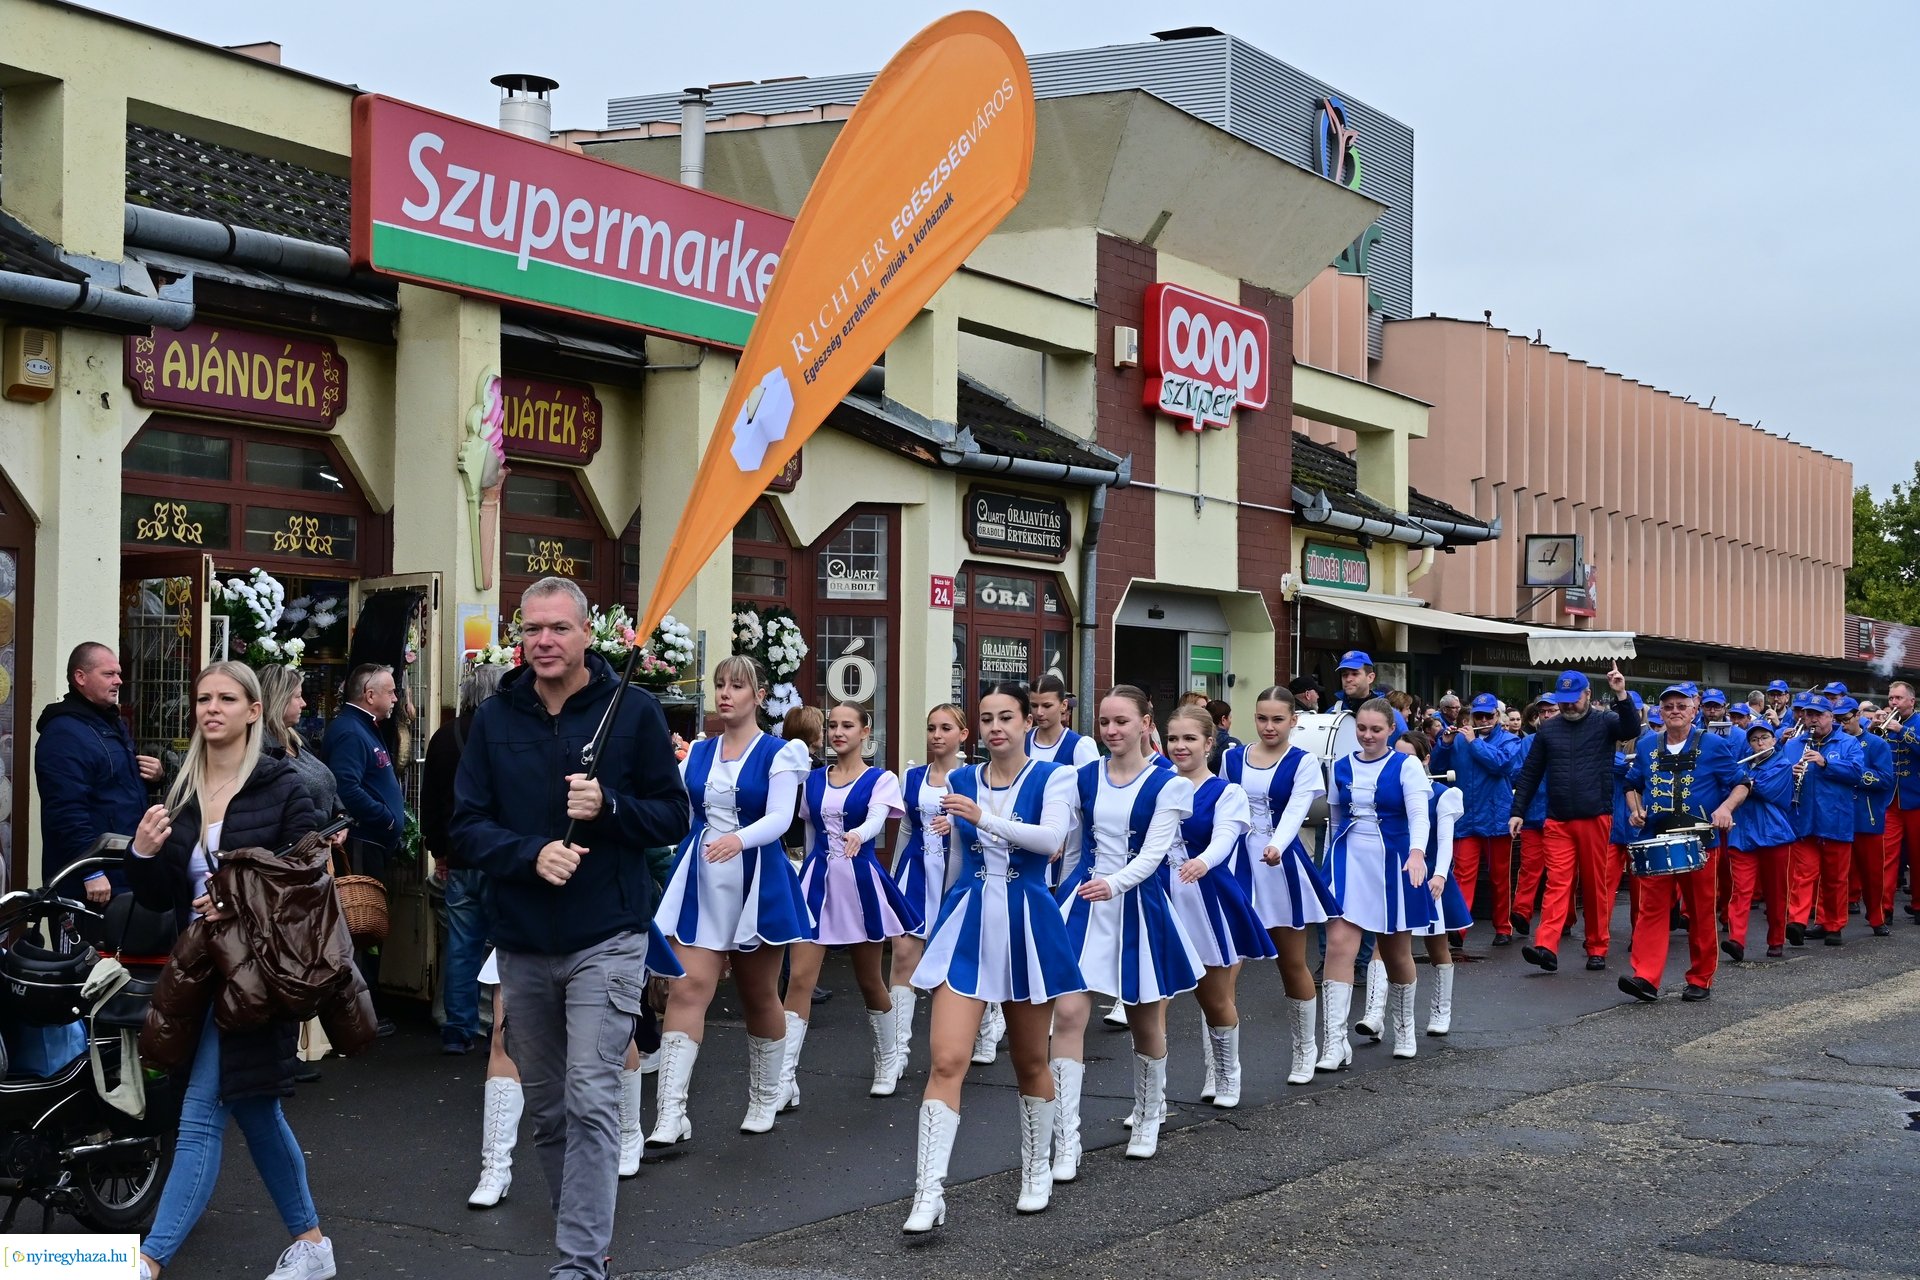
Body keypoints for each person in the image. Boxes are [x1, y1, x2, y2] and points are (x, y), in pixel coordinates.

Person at [450, 576, 689, 1280]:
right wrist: (531, 854)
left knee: (590, 1098)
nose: (544, 641)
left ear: (588, 632)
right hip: (522, 940)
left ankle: (580, 1264)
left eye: (558, 627)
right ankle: (585, 1242)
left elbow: (671, 816)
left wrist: (609, 806)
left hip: (607, 936)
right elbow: (465, 826)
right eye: (532, 629)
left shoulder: (633, 711)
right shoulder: (494, 719)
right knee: (550, 1110)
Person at [127, 661, 331, 1280]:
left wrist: (237, 900)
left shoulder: (282, 786)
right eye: (202, 699)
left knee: (200, 1114)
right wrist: (142, 853)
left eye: (226, 699)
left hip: (257, 977)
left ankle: (149, 1259)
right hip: (197, 974)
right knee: (256, 1110)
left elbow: (306, 880)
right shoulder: (181, 790)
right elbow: (159, 897)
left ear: (253, 711)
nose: (211, 709)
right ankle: (313, 1245)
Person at [902, 682, 1083, 1233]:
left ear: (1028, 721)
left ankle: (1036, 1170)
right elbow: (958, 862)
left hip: (1028, 922)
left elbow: (1049, 840)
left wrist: (983, 818)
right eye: (986, 718)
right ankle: (928, 1194)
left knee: (1029, 1060)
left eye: (1006, 717)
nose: (996, 727)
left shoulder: (1056, 776)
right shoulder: (959, 780)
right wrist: (940, 928)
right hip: (969, 923)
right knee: (946, 1059)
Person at [647, 655, 812, 1145]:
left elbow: (781, 817)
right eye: (720, 684)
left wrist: (738, 840)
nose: (725, 693)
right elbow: (677, 814)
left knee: (758, 994)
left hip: (757, 881)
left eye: (737, 686)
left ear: (759, 696)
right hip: (701, 880)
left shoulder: (780, 752)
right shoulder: (697, 752)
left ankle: (765, 1096)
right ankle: (670, 1115)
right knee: (686, 989)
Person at [1053, 685, 1202, 1170]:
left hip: (1139, 906)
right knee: (1067, 1015)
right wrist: (1064, 890)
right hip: (1084, 904)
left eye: (1121, 721)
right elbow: (1075, 845)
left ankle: (1148, 1113)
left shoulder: (1169, 783)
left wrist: (1112, 884)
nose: (1111, 730)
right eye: (1104, 722)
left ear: (1145, 724)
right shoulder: (1081, 777)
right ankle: (1065, 1139)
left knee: (1144, 1021)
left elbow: (1154, 855)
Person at [787, 703, 916, 1101]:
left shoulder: (881, 779)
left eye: (847, 725)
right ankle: (781, 1081)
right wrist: (804, 871)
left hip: (860, 883)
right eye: (832, 726)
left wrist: (859, 833)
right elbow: (811, 833)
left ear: (864, 732)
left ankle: (889, 1058)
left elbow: (877, 819)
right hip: (817, 882)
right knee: (799, 979)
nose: (838, 732)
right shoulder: (812, 780)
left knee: (869, 980)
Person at [1163, 703, 1274, 1110]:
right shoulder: (1155, 784)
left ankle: (1226, 1074)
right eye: (1173, 738)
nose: (1180, 746)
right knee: (1151, 1003)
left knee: (1213, 997)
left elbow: (1226, 837)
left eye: (1189, 738)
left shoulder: (1227, 792)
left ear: (1209, 743)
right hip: (1159, 896)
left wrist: (1203, 861)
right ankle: (1151, 1100)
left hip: (1206, 896)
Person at [1227, 686, 1338, 1084]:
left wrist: (1276, 844)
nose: (1269, 726)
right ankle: (1222, 1070)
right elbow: (1222, 807)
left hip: (1280, 866)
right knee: (1224, 969)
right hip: (1236, 865)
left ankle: (1305, 1050)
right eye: (1262, 718)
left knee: (1291, 963)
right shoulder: (1232, 758)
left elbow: (1295, 811)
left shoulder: (1304, 762)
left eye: (1277, 719)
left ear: (1294, 720)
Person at [1319, 699, 1433, 1067]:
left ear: (1391, 730)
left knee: (1396, 953)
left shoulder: (1406, 765)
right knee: (1339, 945)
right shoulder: (1341, 766)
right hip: (1349, 861)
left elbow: (1419, 815)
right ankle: (1335, 1044)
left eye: (1376, 730)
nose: (1367, 735)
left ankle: (1404, 1028)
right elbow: (1336, 819)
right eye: (1362, 728)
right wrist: (1329, 864)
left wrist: (1417, 854)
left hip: (1393, 863)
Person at [1620, 684, 1748, 1002]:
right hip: (1656, 839)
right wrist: (1635, 810)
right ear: (1660, 713)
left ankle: (1701, 977)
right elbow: (1632, 785)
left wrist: (1725, 808)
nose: (1674, 711)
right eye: (1668, 707)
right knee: (1651, 909)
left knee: (1701, 912)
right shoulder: (1647, 745)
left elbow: (1742, 783)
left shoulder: (1713, 744)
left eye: (1681, 706)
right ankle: (1645, 977)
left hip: (1699, 842)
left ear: (1694, 711)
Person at [1508, 667, 1638, 975]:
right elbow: (1530, 772)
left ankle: (1597, 946)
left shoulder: (1605, 721)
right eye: (1563, 699)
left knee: (1594, 885)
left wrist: (1621, 693)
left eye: (1573, 698)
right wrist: (1517, 810)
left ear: (1588, 694)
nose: (1567, 705)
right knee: (1557, 882)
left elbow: (1630, 728)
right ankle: (1546, 945)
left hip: (1595, 816)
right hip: (1558, 819)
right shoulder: (1548, 730)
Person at [257, 665, 345, 1081]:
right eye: (297, 696)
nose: (304, 703)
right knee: (286, 955)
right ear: (278, 701)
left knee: (306, 953)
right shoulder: (262, 747)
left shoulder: (295, 741)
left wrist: (338, 819)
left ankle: (296, 1045)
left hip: (314, 858)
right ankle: (282, 1052)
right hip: (286, 866)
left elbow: (325, 786)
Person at [419, 664, 505, 1057]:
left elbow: (431, 802)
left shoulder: (443, 737)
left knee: (461, 945)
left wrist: (439, 851)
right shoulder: (505, 734)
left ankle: (458, 1029)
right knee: (507, 945)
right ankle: (501, 1028)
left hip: (458, 856)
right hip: (501, 855)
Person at [35, 641, 159, 905]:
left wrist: (154, 778)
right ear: (80, 677)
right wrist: (90, 871)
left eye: (119, 673)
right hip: (90, 884)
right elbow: (65, 811)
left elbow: (113, 788)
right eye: (109, 674)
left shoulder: (108, 722)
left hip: (121, 869)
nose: (119, 681)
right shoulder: (63, 733)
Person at [322, 662, 406, 1028]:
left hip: (372, 843)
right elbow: (347, 787)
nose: (396, 698)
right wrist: (385, 818)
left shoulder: (364, 727)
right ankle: (359, 1014)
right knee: (360, 929)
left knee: (369, 929)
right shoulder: (350, 731)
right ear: (370, 695)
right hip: (361, 843)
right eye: (390, 691)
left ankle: (367, 1010)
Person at [890, 704, 968, 1072]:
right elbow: (906, 829)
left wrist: (960, 826)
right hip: (916, 873)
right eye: (932, 727)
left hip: (956, 877)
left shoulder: (973, 778)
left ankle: (986, 1023)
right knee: (904, 956)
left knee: (957, 958)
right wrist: (892, 880)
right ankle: (896, 1054)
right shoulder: (911, 777)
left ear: (962, 735)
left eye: (946, 728)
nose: (937, 735)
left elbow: (988, 829)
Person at [1399, 731, 1470, 1035]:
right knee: (1385, 943)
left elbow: (1444, 841)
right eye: (1397, 757)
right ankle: (1375, 1014)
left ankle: (1441, 1011)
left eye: (1409, 758)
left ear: (1426, 760)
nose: (1402, 763)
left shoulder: (1442, 794)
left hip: (1428, 876)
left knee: (1436, 944)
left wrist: (1439, 874)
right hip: (1396, 874)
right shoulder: (1390, 791)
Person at [1781, 696, 1866, 947]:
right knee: (1803, 874)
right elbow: (1778, 776)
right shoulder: (1793, 744)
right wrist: (1788, 773)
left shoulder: (1848, 742)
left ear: (1830, 716)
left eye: (1818, 714)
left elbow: (1857, 773)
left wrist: (1825, 762)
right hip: (1803, 818)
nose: (1813, 719)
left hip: (1836, 819)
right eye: (1809, 714)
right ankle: (1797, 921)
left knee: (1835, 878)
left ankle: (1833, 925)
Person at [1447, 692, 1523, 946]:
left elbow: (1501, 765)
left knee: (1500, 878)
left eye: (1488, 716)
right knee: (1462, 874)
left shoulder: (1510, 740)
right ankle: (1459, 927)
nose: (1483, 720)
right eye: (1478, 716)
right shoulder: (1460, 739)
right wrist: (1445, 744)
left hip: (1495, 818)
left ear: (1497, 716)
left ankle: (1503, 927)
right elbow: (1439, 768)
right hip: (1467, 817)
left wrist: (1474, 743)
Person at [1723, 721, 1794, 960]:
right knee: (1740, 890)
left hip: (1773, 835)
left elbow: (1763, 789)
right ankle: (1736, 940)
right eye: (1754, 740)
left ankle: (1776, 939)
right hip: (1742, 835)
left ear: (1774, 740)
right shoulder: (1744, 764)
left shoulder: (1782, 764)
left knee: (1776, 893)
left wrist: (1739, 782)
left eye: (1764, 738)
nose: (1760, 743)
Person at [1835, 697, 1895, 936]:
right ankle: (1830, 921)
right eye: (1837, 720)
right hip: (1836, 815)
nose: (1842, 725)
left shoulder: (1876, 744)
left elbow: (1886, 779)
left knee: (1872, 873)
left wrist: (1851, 774)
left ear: (1857, 716)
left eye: (1845, 719)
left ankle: (1877, 917)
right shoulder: (1832, 743)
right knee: (1834, 874)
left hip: (1866, 815)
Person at [1508, 700, 1555, 938]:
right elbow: (1516, 775)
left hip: (1560, 815)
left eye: (1551, 710)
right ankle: (1521, 912)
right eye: (1542, 711)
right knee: (1529, 867)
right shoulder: (1527, 742)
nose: (1546, 715)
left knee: (1559, 873)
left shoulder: (1571, 740)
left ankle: (1564, 918)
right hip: (1535, 814)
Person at [1878, 680, 1920, 922]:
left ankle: (1918, 904)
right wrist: (1872, 730)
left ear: (1911, 701)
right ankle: (1884, 909)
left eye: (1898, 698)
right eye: (1891, 698)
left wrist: (1902, 731)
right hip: (1891, 798)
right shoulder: (1885, 722)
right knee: (1887, 855)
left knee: (1917, 856)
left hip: (1916, 797)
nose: (1893, 702)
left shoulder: (1918, 722)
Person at [1205, 698, 1242, 774]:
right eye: (1230, 718)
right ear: (1223, 720)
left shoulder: (1198, 740)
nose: (1230, 721)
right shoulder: (1233, 744)